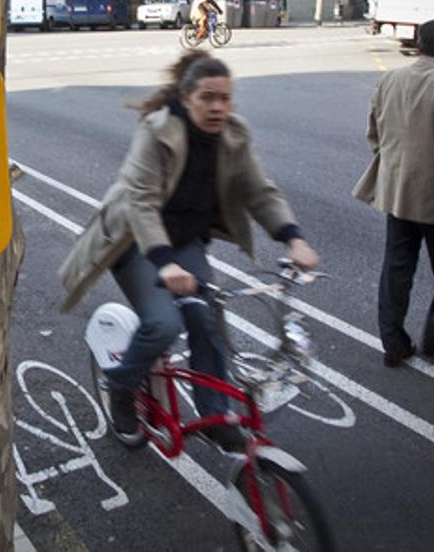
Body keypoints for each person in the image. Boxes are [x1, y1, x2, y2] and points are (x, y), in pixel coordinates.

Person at [59, 51, 319, 451]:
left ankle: (214, 416)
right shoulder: (157, 131)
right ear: (185, 98)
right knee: (164, 323)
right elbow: (141, 204)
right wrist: (164, 265)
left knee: (208, 323)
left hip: (185, 242)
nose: (217, 107)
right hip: (135, 242)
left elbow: (259, 191)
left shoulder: (234, 134)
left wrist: (293, 237)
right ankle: (122, 389)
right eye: (207, 97)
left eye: (225, 98)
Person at [354, 19, 434, 368]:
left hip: (397, 188)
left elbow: (373, 132)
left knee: (397, 267)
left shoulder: (390, 78)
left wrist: (392, 161)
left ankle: (393, 341)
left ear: (418, 44)